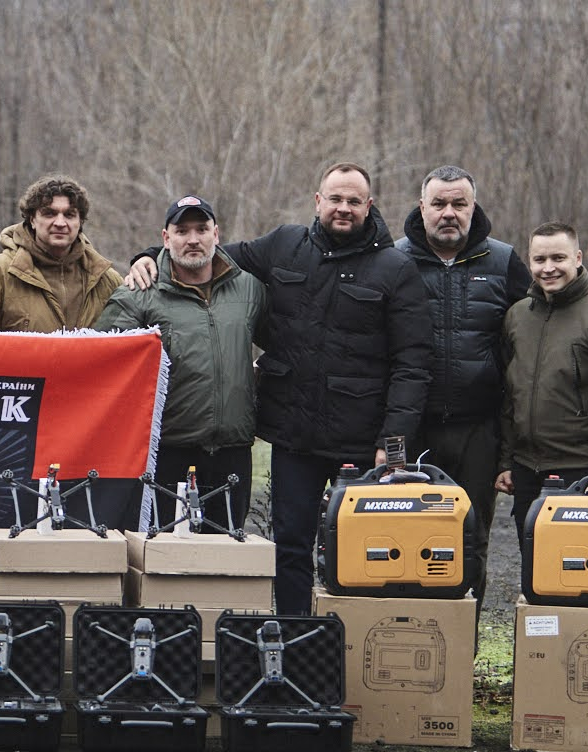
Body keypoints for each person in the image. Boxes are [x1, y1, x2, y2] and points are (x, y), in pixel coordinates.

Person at [127, 162, 432, 613]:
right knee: (289, 545)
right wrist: (151, 255)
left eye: (353, 201)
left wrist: (394, 446)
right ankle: (294, 635)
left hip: (363, 442)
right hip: (295, 439)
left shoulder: (396, 269)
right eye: (335, 199)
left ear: (369, 206)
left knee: (366, 548)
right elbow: (209, 255)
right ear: (318, 201)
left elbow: (413, 364)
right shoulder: (284, 245)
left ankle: (352, 636)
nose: (343, 208)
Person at [395, 165, 532, 611]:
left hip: (479, 431)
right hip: (414, 428)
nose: (449, 213)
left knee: (470, 540)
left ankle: (462, 641)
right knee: (410, 538)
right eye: (439, 204)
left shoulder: (503, 262)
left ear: (474, 207)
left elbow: (533, 338)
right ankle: (416, 637)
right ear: (422, 207)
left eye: (459, 204)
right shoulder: (394, 260)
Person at [95, 195, 265, 530]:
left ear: (216, 234)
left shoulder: (249, 289)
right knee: (166, 553)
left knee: (229, 553)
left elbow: (288, 341)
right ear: (165, 238)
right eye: (182, 231)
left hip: (233, 453)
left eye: (201, 229)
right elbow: (103, 360)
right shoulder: (140, 292)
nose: (193, 239)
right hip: (168, 454)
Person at [496, 221, 588, 535]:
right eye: (539, 260)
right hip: (525, 471)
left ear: (578, 258)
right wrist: (506, 461)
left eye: (558, 258)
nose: (548, 268)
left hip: (582, 473)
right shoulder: (517, 317)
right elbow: (509, 395)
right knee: (531, 560)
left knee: (574, 559)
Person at [0, 174, 122, 332]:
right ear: (32, 219)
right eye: (49, 213)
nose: (60, 223)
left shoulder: (107, 281)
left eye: (69, 214)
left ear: (80, 222)